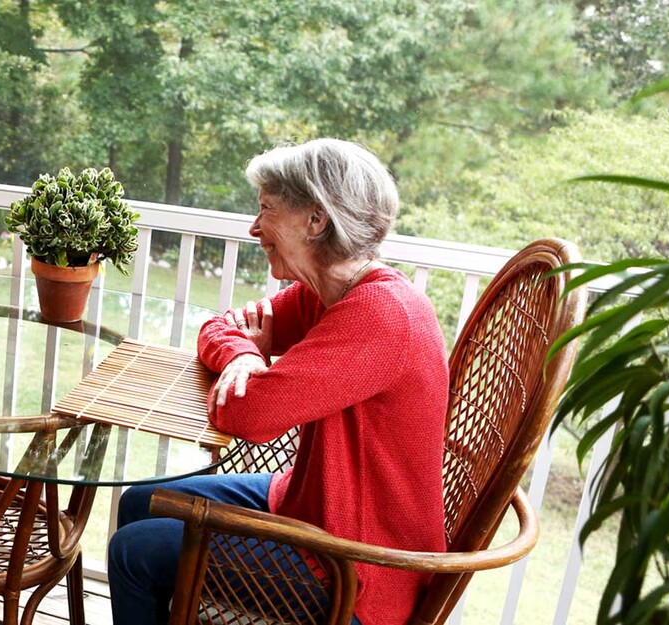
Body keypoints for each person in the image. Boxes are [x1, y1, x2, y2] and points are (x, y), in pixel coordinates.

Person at [107, 139, 449, 625]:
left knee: (132, 552)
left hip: (356, 567)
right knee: (138, 503)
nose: (254, 226)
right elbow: (218, 327)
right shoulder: (326, 292)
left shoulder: (382, 314)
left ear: (316, 219)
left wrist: (248, 370)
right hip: (308, 505)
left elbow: (247, 414)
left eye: (266, 208)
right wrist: (245, 354)